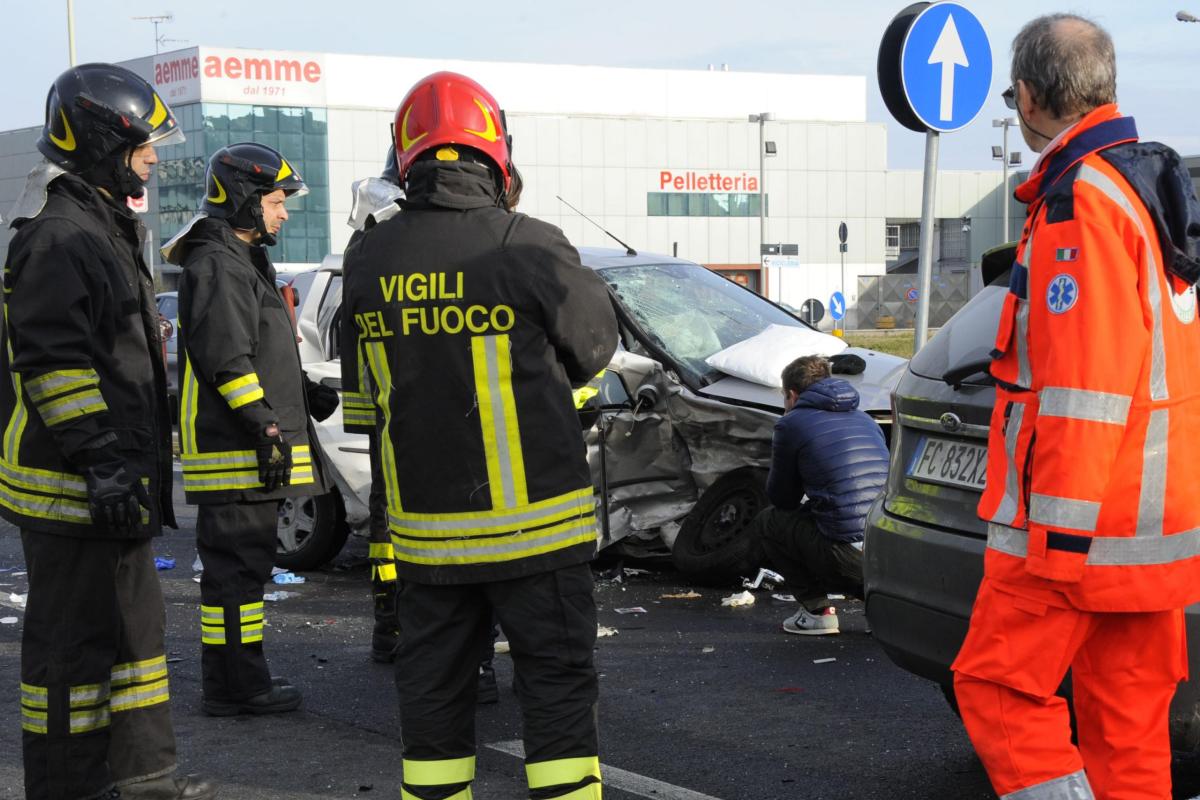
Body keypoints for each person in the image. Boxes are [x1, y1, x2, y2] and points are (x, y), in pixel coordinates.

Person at [340, 71, 617, 800]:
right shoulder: (528, 243)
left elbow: (365, 391)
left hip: (428, 537)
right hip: (538, 534)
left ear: (406, 158)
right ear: (497, 156)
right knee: (555, 695)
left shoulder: (368, 257)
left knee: (432, 699)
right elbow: (594, 346)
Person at [951, 14, 1200, 799]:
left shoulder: (1079, 203)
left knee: (997, 690)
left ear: (1026, 98)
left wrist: (1057, 540)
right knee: (1126, 730)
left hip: (1076, 530)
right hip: (1147, 530)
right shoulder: (1142, 187)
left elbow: (1086, 387)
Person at [3, 63, 215, 800]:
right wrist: (100, 460)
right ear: (101, 145)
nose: (154, 157)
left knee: (134, 648)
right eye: (142, 144)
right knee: (71, 660)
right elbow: (53, 364)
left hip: (113, 486)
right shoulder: (60, 238)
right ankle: (68, 788)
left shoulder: (101, 226)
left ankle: (143, 778)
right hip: (72, 490)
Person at [162, 142, 339, 717]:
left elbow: (255, 350)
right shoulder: (216, 263)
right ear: (242, 198)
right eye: (275, 200)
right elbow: (226, 361)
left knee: (243, 576)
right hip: (234, 455)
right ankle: (237, 686)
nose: (283, 213)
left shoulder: (238, 259)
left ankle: (239, 677)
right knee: (235, 579)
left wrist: (301, 392)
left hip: (247, 455)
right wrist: (265, 425)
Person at [749, 355, 887, 635]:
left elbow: (782, 499)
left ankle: (817, 613)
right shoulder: (866, 419)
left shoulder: (792, 424)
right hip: (892, 554)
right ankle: (884, 611)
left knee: (771, 522)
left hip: (852, 561)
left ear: (791, 394)